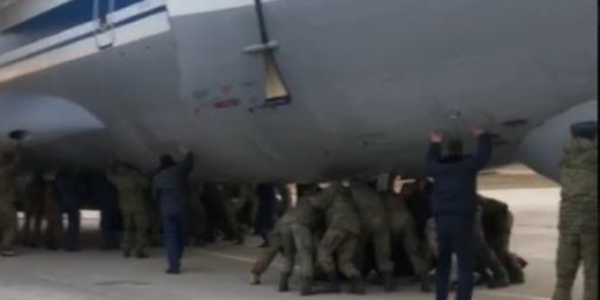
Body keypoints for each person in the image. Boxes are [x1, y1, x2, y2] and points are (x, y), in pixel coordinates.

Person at [426, 128, 492, 300]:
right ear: (462, 151)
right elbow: (483, 155)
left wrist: (435, 144)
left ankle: (441, 297)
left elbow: (429, 161)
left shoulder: (438, 169)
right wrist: (482, 136)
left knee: (443, 264)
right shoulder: (467, 167)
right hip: (462, 220)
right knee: (465, 265)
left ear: (448, 151)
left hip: (442, 221)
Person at [553, 121, 597, 300]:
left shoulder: (566, 159)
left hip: (568, 222)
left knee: (564, 276)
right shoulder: (594, 159)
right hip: (592, 223)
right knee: (593, 274)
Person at [313, 183, 365, 295]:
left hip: (339, 223)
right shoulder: (349, 193)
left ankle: (333, 284)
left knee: (323, 250)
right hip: (354, 226)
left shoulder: (332, 189)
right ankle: (357, 282)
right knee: (345, 261)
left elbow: (317, 204)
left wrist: (309, 197)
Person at [384, 175, 432, 292]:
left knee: (384, 252)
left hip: (394, 223)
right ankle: (423, 276)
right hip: (408, 221)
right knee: (413, 252)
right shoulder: (401, 198)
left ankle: (387, 280)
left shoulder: (381, 196)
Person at [154, 146, 194, 274]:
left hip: (166, 210)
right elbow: (188, 164)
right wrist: (188, 153)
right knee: (181, 235)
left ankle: (173, 265)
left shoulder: (158, 177)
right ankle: (178, 257)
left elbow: (155, 195)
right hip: (181, 208)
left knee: (170, 238)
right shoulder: (177, 171)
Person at [349, 181, 395, 292]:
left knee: (358, 251)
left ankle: (356, 282)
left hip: (365, 222)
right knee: (384, 253)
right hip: (382, 221)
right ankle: (387, 283)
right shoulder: (373, 192)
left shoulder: (353, 192)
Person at [479, 195, 525, 284]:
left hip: (501, 216)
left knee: (498, 247)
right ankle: (485, 274)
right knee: (485, 247)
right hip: (489, 218)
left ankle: (516, 274)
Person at [108, 162, 150, 258]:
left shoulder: (117, 178)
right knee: (140, 228)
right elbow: (147, 183)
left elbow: (109, 176)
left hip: (125, 207)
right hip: (138, 206)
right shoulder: (135, 176)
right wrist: (141, 173)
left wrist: (111, 166)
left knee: (127, 229)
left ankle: (126, 248)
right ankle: (140, 250)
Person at [89, 173, 121, 251]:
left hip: (105, 207)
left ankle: (109, 243)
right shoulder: (112, 186)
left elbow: (96, 196)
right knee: (111, 225)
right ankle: (114, 242)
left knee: (106, 226)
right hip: (111, 207)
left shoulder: (100, 187)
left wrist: (95, 204)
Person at [0, 142, 21, 257]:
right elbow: (16, 162)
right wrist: (17, 149)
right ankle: (6, 249)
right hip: (5, 203)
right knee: (10, 226)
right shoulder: (5, 171)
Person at [56, 171, 83, 251]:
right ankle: (71, 244)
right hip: (72, 204)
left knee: (65, 225)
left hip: (64, 203)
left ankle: (65, 243)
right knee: (73, 225)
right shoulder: (72, 182)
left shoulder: (60, 182)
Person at [255, 183, 278, 248]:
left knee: (262, 226)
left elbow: (259, 195)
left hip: (266, 206)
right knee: (267, 225)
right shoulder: (271, 186)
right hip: (268, 205)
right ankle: (269, 241)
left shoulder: (265, 186)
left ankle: (269, 241)